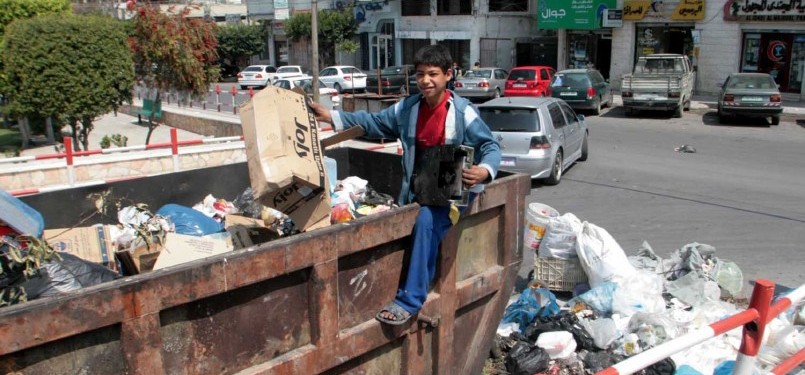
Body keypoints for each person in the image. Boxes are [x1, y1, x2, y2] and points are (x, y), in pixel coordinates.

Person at [308, 44, 501, 325]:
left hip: (452, 192)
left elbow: (490, 145)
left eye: (433, 74)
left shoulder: (462, 112)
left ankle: (410, 300)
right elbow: (373, 122)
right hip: (419, 188)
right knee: (405, 216)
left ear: (448, 75)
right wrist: (332, 116)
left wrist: (484, 170)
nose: (425, 81)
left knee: (425, 220)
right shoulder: (408, 108)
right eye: (420, 74)